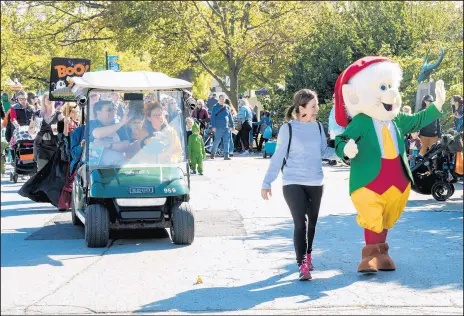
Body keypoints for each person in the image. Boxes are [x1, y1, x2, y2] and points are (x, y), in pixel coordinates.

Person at [261, 89, 336, 281]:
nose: (317, 108)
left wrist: (345, 154)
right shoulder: (289, 129)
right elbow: (278, 156)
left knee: (312, 223)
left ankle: (308, 254)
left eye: (316, 105)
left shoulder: (319, 127)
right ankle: (302, 263)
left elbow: (324, 152)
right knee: (299, 223)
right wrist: (267, 182)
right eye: (313, 106)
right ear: (302, 108)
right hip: (293, 181)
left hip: (315, 181)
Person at [88, 99, 132, 165]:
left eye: (114, 109)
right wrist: (121, 123)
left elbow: (126, 146)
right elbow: (97, 134)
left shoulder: (120, 126)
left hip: (118, 167)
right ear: (98, 112)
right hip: (95, 169)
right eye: (109, 110)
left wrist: (108, 145)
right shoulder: (92, 124)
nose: (113, 112)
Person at [29, 92, 64, 171]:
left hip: (55, 146)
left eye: (51, 98)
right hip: (41, 146)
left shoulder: (59, 114)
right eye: (48, 98)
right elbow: (30, 131)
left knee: (54, 171)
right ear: (43, 100)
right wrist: (34, 128)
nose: (50, 100)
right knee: (42, 170)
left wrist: (58, 130)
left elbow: (63, 131)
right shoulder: (37, 114)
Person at [210, 94, 234, 160]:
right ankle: (212, 153)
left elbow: (230, 117)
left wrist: (232, 125)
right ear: (219, 99)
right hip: (218, 128)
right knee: (217, 141)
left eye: (223, 99)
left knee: (226, 141)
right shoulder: (215, 107)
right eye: (221, 99)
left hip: (226, 127)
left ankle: (226, 155)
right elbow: (212, 117)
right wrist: (213, 126)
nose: (222, 100)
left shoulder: (227, 107)